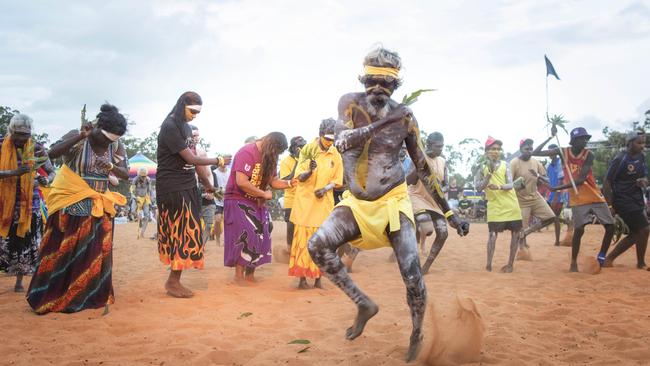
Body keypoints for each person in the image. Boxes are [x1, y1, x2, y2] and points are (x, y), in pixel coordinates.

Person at [307, 47, 468, 362]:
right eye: (372, 81)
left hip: (394, 204)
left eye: (386, 83)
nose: (378, 89)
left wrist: (449, 213)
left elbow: (422, 167)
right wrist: (384, 123)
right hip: (356, 204)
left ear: (396, 86)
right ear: (363, 79)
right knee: (317, 245)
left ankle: (417, 331)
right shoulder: (349, 103)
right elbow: (343, 142)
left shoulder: (405, 117)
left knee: (412, 276)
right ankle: (363, 303)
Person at [26, 104, 129, 314]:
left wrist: (110, 167)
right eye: (107, 137)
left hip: (100, 202)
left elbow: (125, 173)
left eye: (113, 139)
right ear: (98, 127)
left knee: (96, 250)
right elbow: (52, 154)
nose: (109, 142)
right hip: (74, 199)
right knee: (69, 247)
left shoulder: (116, 145)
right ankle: (60, 293)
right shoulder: (79, 135)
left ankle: (91, 294)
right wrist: (80, 136)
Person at [156, 92, 228, 298]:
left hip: (187, 185)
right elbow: (190, 158)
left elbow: (194, 161)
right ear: (182, 105)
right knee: (183, 231)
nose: (195, 115)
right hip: (172, 186)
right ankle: (173, 281)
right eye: (193, 111)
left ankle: (174, 279)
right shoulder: (170, 126)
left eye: (198, 112)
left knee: (190, 231)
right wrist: (218, 160)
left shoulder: (186, 128)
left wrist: (208, 186)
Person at [534, 127, 615, 272]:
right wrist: (551, 137)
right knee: (579, 229)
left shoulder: (589, 154)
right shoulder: (563, 151)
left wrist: (555, 188)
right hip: (577, 197)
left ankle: (602, 256)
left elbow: (581, 179)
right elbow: (536, 152)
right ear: (573, 141)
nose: (585, 141)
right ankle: (573, 262)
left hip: (593, 194)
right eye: (581, 139)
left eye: (586, 139)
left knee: (610, 226)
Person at [223, 132, 294, 283]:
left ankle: (250, 274)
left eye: (278, 153)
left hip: (257, 201)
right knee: (246, 232)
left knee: (264, 231)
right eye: (275, 150)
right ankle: (238, 276)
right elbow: (241, 182)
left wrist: (289, 183)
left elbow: (273, 181)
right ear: (268, 142)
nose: (275, 154)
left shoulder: (270, 156)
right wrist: (263, 193)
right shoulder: (246, 152)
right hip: (237, 198)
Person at [0, 114, 55, 292]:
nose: (23, 138)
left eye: (26, 134)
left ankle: (19, 281)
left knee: (25, 241)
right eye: (19, 134)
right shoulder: (1, 145)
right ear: (11, 132)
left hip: (29, 205)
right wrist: (14, 172)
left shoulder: (37, 148)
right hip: (3, 204)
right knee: (4, 241)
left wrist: (46, 180)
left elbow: (51, 171)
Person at [289, 120, 343, 289]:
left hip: (324, 206)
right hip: (306, 206)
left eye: (333, 139)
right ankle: (302, 280)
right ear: (320, 135)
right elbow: (299, 177)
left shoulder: (335, 154)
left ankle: (318, 279)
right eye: (327, 138)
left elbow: (337, 180)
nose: (329, 142)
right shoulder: (308, 150)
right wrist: (310, 171)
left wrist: (326, 188)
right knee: (304, 243)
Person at [474, 137, 522, 273]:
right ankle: (488, 265)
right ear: (486, 151)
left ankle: (510, 265)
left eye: (498, 149)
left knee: (516, 234)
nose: (496, 151)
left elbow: (511, 184)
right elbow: (478, 187)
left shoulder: (505, 165)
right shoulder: (481, 167)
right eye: (492, 149)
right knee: (492, 235)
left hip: (511, 204)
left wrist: (499, 187)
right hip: (495, 205)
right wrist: (488, 178)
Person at [405, 132, 449, 273]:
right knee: (427, 229)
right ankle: (414, 241)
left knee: (443, 233)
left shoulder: (443, 161)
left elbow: (446, 184)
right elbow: (408, 181)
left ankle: (426, 267)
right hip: (418, 197)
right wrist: (420, 164)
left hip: (435, 201)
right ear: (429, 145)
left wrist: (442, 187)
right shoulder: (417, 158)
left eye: (442, 146)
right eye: (437, 146)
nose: (440, 149)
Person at [603, 131, 648, 269]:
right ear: (629, 143)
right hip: (622, 199)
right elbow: (606, 181)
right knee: (644, 229)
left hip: (637, 198)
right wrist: (610, 204)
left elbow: (644, 177)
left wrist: (643, 181)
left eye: (644, 143)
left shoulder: (641, 157)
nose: (642, 146)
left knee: (638, 232)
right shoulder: (620, 158)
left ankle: (612, 259)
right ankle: (639, 263)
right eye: (639, 143)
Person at [510, 138, 557, 255]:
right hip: (520, 200)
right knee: (520, 228)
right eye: (526, 149)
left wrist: (538, 176)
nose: (529, 151)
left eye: (531, 149)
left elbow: (547, 179)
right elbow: (508, 182)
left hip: (535, 197)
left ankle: (527, 232)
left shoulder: (536, 162)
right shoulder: (514, 163)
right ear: (520, 149)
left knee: (551, 217)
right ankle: (522, 250)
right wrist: (516, 185)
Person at [542, 143, 573, 246]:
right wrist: (538, 176)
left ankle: (557, 240)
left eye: (553, 151)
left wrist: (556, 196)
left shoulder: (560, 163)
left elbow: (560, 181)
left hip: (559, 195)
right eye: (549, 151)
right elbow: (549, 180)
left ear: (556, 152)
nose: (551, 153)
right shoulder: (549, 166)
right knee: (553, 217)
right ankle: (567, 225)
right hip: (552, 195)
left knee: (554, 217)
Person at [279, 136, 306, 251]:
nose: (301, 148)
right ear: (293, 148)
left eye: (303, 146)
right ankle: (289, 249)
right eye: (299, 146)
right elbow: (285, 179)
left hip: (305, 196)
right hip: (291, 197)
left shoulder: (308, 159)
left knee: (305, 224)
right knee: (291, 224)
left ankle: (303, 248)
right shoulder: (286, 161)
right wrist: (298, 162)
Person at [131, 167, 153, 239]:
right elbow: (132, 191)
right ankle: (139, 220)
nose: (144, 178)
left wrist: (151, 199)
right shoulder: (135, 180)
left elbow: (150, 191)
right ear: (139, 175)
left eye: (145, 176)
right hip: (137, 198)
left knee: (146, 215)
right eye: (142, 176)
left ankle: (142, 232)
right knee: (133, 211)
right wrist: (134, 197)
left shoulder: (148, 180)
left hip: (145, 199)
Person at [212, 163, 230, 245]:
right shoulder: (214, 172)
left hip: (228, 199)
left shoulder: (230, 172)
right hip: (217, 200)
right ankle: (217, 238)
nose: (225, 163)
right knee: (218, 220)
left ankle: (226, 240)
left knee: (228, 221)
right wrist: (218, 193)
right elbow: (212, 185)